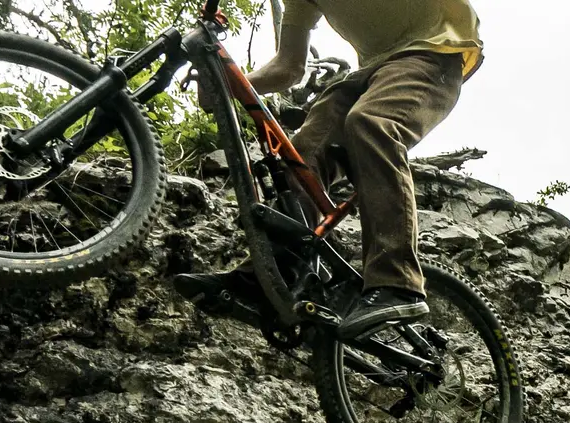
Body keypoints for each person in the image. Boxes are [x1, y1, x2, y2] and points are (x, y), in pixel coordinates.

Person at [174, 0, 482, 339]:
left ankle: (397, 281)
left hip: (435, 53)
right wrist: (224, 84)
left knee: (371, 123)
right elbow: (288, 68)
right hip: (370, 73)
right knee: (298, 156)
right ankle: (275, 274)